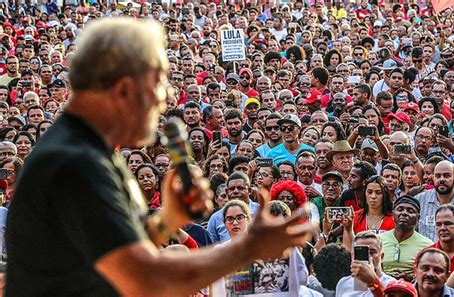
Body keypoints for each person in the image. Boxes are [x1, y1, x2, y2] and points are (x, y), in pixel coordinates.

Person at [5, 19, 315, 296]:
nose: (165, 96)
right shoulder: (75, 163)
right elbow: (146, 279)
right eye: (159, 82)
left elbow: (119, 253)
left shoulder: (91, 152)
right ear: (125, 89)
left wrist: (169, 220)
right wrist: (248, 248)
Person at [415, 160, 454, 245]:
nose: (442, 179)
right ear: (433, 178)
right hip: (427, 256)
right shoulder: (419, 200)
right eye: (438, 176)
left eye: (446, 176)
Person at [379, 195, 432, 281]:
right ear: (392, 214)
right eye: (400, 209)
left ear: (418, 217)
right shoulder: (378, 240)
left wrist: (410, 278)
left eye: (410, 211)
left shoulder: (428, 245)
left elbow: (429, 274)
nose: (404, 213)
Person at [335, 231, 396, 296]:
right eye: (361, 253)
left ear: (382, 256)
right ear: (352, 256)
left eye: (372, 252)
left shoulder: (392, 284)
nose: (368, 257)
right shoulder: (343, 283)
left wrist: (374, 282)